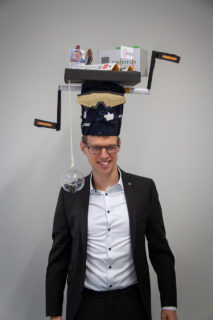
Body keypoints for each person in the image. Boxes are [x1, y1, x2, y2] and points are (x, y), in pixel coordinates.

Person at [46, 81, 178, 320]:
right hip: (85, 305)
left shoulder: (144, 189)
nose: (104, 156)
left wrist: (169, 304)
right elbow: (59, 255)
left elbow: (160, 250)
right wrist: (54, 313)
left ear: (119, 145)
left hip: (132, 303)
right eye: (96, 148)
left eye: (110, 147)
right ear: (83, 148)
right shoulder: (70, 193)